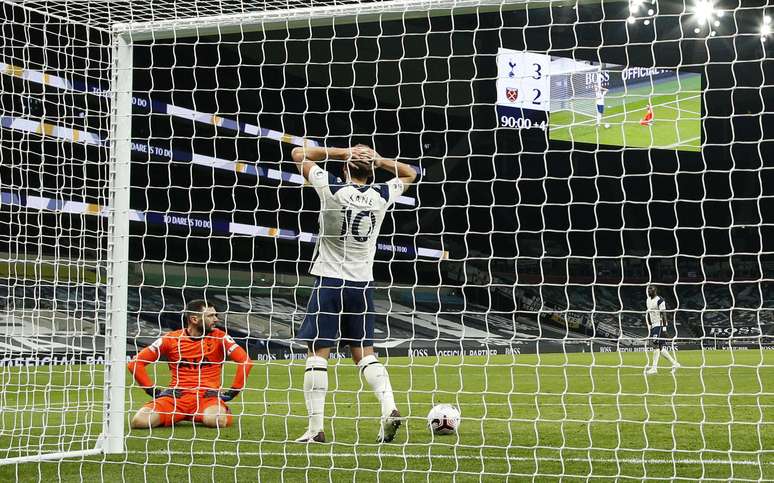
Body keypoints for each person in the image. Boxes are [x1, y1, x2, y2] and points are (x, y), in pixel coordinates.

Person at [290, 143, 417, 444]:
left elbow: (298, 154)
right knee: (364, 354)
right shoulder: (381, 195)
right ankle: (389, 407)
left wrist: (342, 152)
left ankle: (315, 428)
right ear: (371, 172)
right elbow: (410, 173)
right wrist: (379, 158)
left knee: (317, 354)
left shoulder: (331, 187)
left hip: (330, 281)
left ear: (345, 168)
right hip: (362, 284)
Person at [127, 299, 253, 428]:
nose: (216, 319)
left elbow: (245, 361)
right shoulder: (171, 339)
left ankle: (221, 410)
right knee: (139, 422)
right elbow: (135, 363)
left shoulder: (220, 337)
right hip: (176, 398)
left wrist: (233, 392)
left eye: (216, 315)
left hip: (207, 398)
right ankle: (183, 414)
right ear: (194, 319)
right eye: (210, 316)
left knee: (216, 421)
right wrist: (154, 392)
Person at [644, 286, 680, 375]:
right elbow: (649, 313)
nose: (649, 291)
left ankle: (654, 368)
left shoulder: (660, 300)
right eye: (648, 289)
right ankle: (675, 363)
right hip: (653, 326)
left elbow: (664, 314)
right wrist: (649, 326)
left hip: (659, 325)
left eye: (651, 289)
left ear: (655, 290)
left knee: (654, 345)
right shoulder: (648, 300)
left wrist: (664, 329)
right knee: (660, 347)